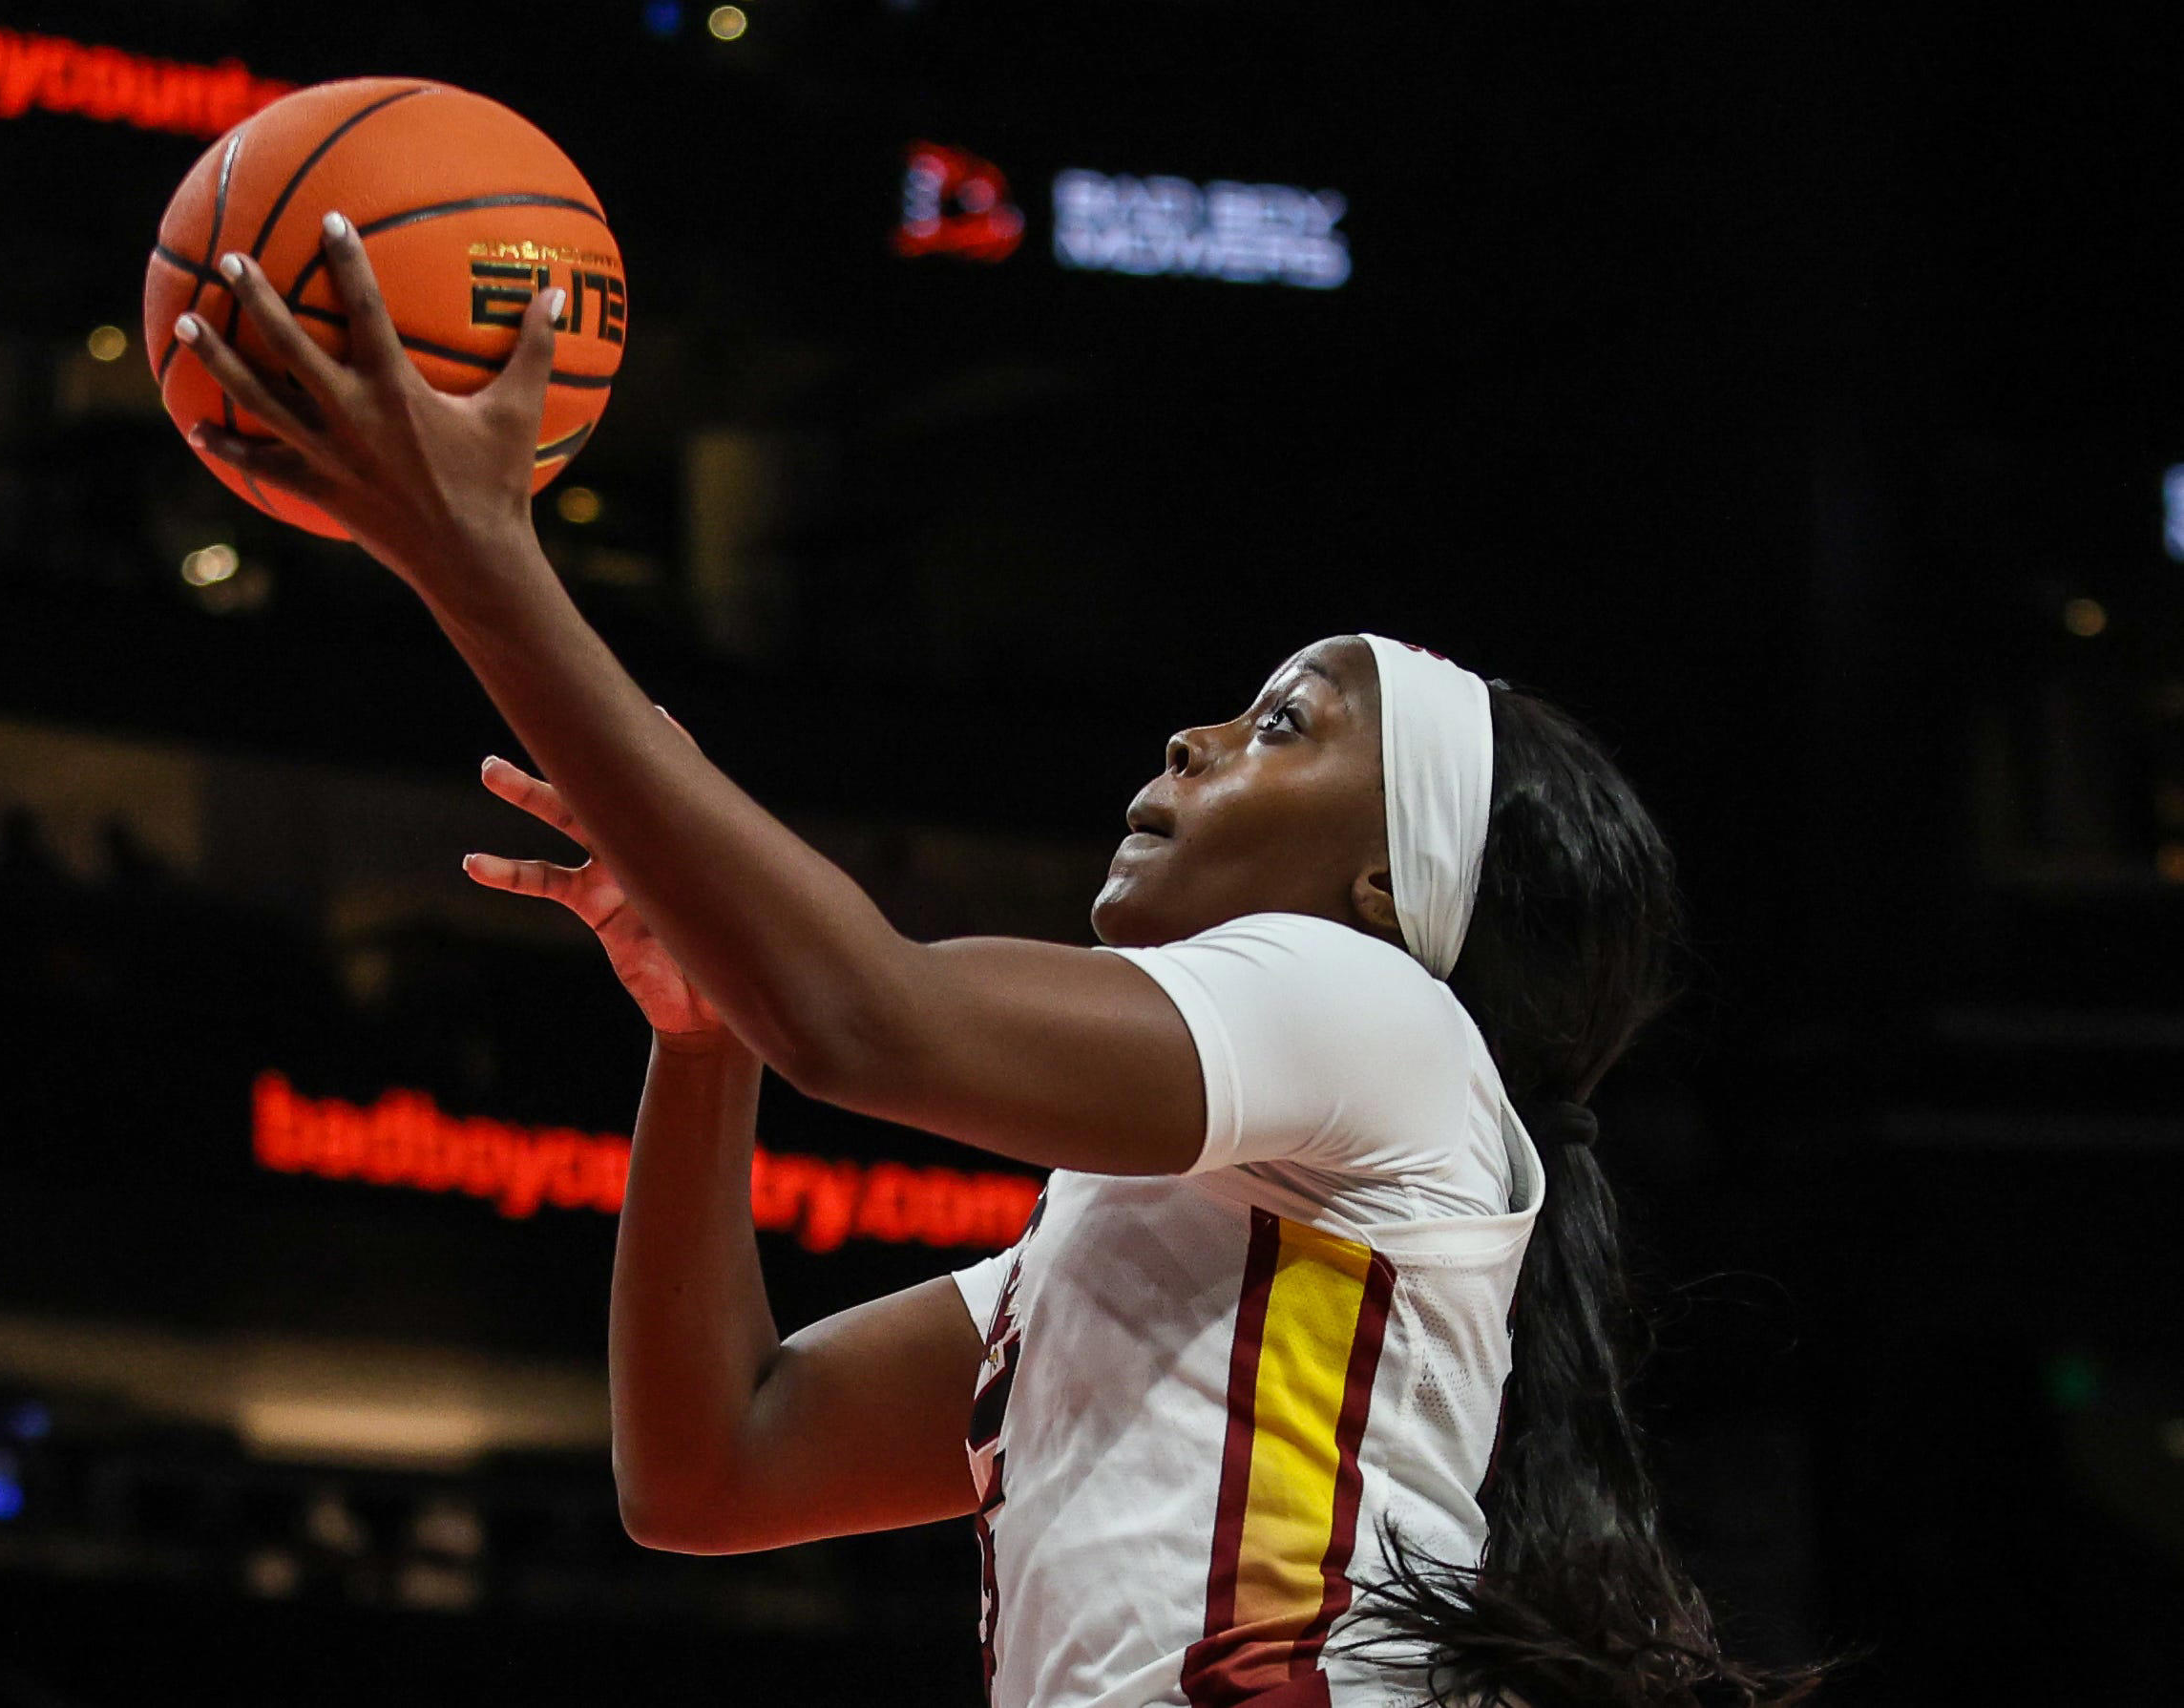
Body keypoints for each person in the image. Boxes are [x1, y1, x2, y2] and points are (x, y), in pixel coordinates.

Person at [178, 218, 1825, 1707]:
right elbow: (711, 1468)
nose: (1193, 737)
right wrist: (703, 1038)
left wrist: (483, 559)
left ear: (1388, 881)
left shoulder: (1379, 1015)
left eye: (1280, 726)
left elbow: (865, 1013)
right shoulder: (1162, 1240)